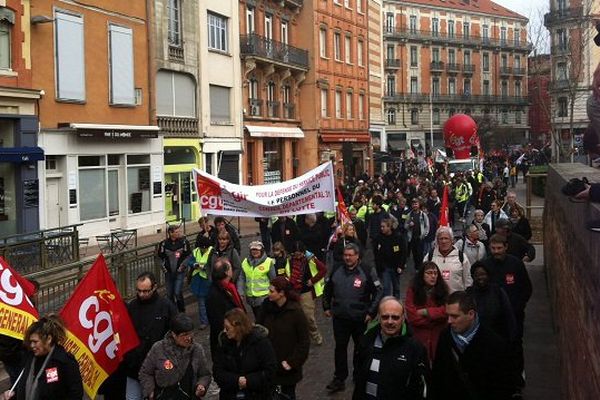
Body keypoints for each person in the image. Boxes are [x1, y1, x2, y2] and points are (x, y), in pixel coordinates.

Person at [322, 243, 383, 394]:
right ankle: (339, 378)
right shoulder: (336, 268)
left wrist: (371, 312)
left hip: (360, 318)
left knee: (360, 348)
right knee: (340, 348)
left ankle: (359, 374)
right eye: (345, 255)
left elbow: (379, 291)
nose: (347, 258)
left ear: (357, 256)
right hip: (340, 318)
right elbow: (327, 288)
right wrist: (326, 306)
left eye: (350, 255)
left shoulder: (367, 270)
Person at [432, 291, 516, 400]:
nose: (449, 321)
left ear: (471, 314)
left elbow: (503, 386)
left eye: (454, 316)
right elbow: (438, 376)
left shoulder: (494, 343)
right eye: (448, 315)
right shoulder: (445, 336)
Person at [483, 234, 532, 392]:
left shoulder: (515, 264)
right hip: (492, 318)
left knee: (515, 345)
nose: (496, 251)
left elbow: (526, 288)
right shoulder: (485, 266)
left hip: (514, 316)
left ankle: (517, 378)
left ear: (506, 247)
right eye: (493, 248)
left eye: (499, 248)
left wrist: (518, 307)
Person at [353, 297, 428, 400]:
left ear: (403, 318)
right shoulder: (366, 341)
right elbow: (359, 378)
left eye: (395, 317)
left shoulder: (414, 348)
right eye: (385, 317)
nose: (390, 321)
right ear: (379, 317)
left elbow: (421, 387)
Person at [124, 272, 178, 400]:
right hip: (134, 367)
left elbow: (175, 334)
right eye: (139, 291)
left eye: (146, 291)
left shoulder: (166, 306)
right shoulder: (132, 307)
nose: (142, 294)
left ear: (154, 287)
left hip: (157, 369)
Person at [2, 316, 83, 400]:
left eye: (35, 342)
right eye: (30, 341)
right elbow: (21, 384)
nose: (32, 345)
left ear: (48, 339)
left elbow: (76, 394)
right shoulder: (29, 357)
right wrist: (11, 394)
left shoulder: (64, 362)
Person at [256, 277, 310, 399]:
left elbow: (304, 341)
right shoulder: (266, 307)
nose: (268, 293)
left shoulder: (295, 312)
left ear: (281, 293)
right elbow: (258, 330)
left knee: (287, 395)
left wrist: (292, 362)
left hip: (287, 367)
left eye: (271, 291)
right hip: (269, 364)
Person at [139, 313, 212, 400]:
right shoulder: (158, 348)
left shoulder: (197, 350)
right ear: (174, 334)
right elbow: (145, 373)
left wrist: (202, 385)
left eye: (190, 333)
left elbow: (205, 374)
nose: (188, 338)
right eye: (184, 335)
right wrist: (150, 391)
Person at [213, 308, 277, 400]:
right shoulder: (223, 343)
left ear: (237, 326)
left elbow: (270, 370)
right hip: (231, 395)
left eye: (227, 328)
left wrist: (248, 380)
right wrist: (236, 380)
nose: (225, 331)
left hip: (257, 395)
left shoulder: (260, 342)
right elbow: (218, 372)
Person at [405, 261, 449, 364]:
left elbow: (446, 312)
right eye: (429, 273)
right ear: (422, 275)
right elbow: (413, 318)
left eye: (435, 273)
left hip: (438, 339)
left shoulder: (443, 291)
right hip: (419, 338)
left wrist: (426, 312)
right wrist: (435, 320)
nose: (433, 276)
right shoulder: (413, 291)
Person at [285, 241, 327, 346]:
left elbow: (323, 270)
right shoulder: (289, 261)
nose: (297, 255)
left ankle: (315, 334)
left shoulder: (311, 260)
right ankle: (300, 337)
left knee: (309, 317)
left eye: (300, 253)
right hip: (293, 292)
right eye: (296, 253)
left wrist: (312, 281)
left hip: (306, 292)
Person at [466, 261, 517, 344]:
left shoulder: (498, 291)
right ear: (473, 276)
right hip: (475, 340)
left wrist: (511, 338)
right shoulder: (469, 293)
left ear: (488, 275)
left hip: (497, 338)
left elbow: (508, 314)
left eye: (483, 274)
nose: (480, 277)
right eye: (477, 275)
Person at [206, 258, 245, 359]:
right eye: (231, 268)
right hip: (228, 342)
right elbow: (218, 322)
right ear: (227, 272)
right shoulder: (215, 294)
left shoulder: (229, 287)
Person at [156, 225, 192, 312]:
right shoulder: (164, 244)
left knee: (177, 292)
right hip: (168, 272)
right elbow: (160, 257)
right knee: (169, 294)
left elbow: (189, 255)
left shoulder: (184, 242)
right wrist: (163, 267)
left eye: (178, 232)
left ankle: (181, 311)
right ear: (170, 233)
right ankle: (172, 312)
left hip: (180, 271)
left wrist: (183, 265)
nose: (178, 233)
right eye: (176, 232)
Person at [426, 227, 472, 293]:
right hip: (435, 299)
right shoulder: (429, 257)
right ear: (437, 241)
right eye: (441, 239)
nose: (443, 241)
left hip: (456, 300)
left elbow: (468, 279)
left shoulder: (461, 257)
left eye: (446, 238)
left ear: (452, 240)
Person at [238, 241, 276, 317]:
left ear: (261, 250)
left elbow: (273, 280)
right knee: (257, 317)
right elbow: (241, 278)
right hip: (251, 298)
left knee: (264, 318)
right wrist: (240, 292)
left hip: (264, 297)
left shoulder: (268, 262)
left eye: (257, 250)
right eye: (253, 250)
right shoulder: (245, 262)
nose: (254, 252)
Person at [373, 218, 407, 298]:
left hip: (396, 268)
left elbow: (403, 252)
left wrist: (401, 265)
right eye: (381, 227)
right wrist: (379, 266)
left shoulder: (398, 237)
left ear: (389, 227)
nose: (381, 228)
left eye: (383, 227)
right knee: (386, 288)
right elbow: (376, 253)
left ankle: (397, 304)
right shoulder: (379, 238)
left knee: (396, 288)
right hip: (385, 268)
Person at [189, 235, 214, 330]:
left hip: (208, 279)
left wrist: (205, 267)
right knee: (201, 303)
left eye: (205, 248)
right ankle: (204, 321)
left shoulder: (212, 251)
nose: (203, 250)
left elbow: (213, 263)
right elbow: (190, 261)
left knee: (209, 302)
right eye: (202, 248)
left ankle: (210, 319)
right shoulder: (195, 251)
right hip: (198, 279)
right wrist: (194, 264)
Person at [405, 198, 429, 272]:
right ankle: (416, 267)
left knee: (420, 254)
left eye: (416, 204)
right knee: (414, 254)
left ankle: (420, 267)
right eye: (413, 204)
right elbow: (405, 225)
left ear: (419, 205)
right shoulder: (409, 215)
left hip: (420, 238)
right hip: (412, 238)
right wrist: (409, 225)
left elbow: (427, 226)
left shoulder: (423, 215)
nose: (414, 205)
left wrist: (423, 235)